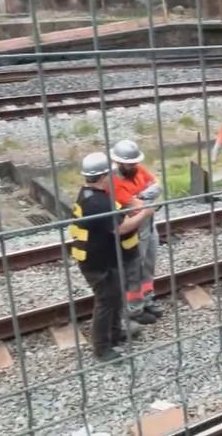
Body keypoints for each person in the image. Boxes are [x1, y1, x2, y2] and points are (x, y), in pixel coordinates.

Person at [69, 152, 154, 362]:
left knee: (115, 297)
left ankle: (115, 334)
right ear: (103, 176)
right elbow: (120, 228)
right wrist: (144, 213)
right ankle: (102, 348)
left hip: (104, 259)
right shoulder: (97, 202)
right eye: (110, 173)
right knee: (106, 302)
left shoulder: (92, 195)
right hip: (99, 263)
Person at [109, 140, 163, 325]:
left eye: (134, 163)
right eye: (129, 164)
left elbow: (157, 185)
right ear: (118, 162)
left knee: (148, 265)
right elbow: (134, 207)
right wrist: (145, 199)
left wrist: (141, 197)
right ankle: (133, 308)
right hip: (134, 230)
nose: (133, 166)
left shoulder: (138, 170)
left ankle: (148, 299)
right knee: (134, 270)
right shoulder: (113, 181)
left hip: (149, 224)